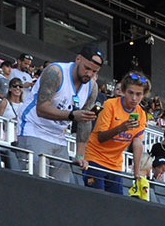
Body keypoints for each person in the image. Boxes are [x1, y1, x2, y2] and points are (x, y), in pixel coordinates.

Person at [16, 43, 103, 183]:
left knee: (61, 186)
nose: (89, 74)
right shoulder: (55, 72)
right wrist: (72, 115)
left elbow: (85, 121)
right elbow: (41, 109)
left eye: (94, 72)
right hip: (34, 128)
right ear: (78, 59)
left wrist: (80, 156)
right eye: (87, 68)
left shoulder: (92, 86)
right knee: (34, 182)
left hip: (58, 136)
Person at [79, 70, 150, 195]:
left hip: (115, 164)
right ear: (123, 91)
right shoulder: (110, 105)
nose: (134, 98)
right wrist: (121, 128)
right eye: (130, 93)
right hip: (96, 158)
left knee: (116, 203)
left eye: (138, 94)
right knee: (97, 199)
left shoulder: (141, 114)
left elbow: (137, 143)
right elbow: (101, 137)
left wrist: (136, 171)